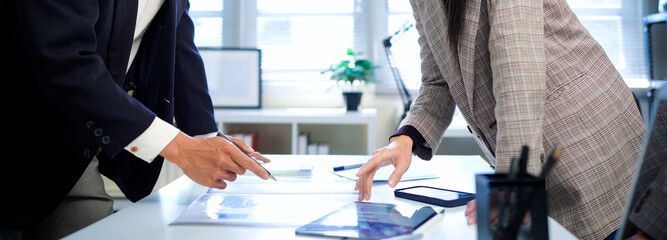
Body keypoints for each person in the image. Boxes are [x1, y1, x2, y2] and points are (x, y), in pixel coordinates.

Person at [354, 0, 645, 239]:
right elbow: (437, 82)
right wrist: (405, 140)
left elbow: (518, 75)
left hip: (586, 137)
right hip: (531, 143)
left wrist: (508, 184)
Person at [1, 0, 271, 239]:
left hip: (77, 130)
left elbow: (178, 42)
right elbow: (66, 61)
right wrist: (181, 148)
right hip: (29, 126)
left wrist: (207, 139)